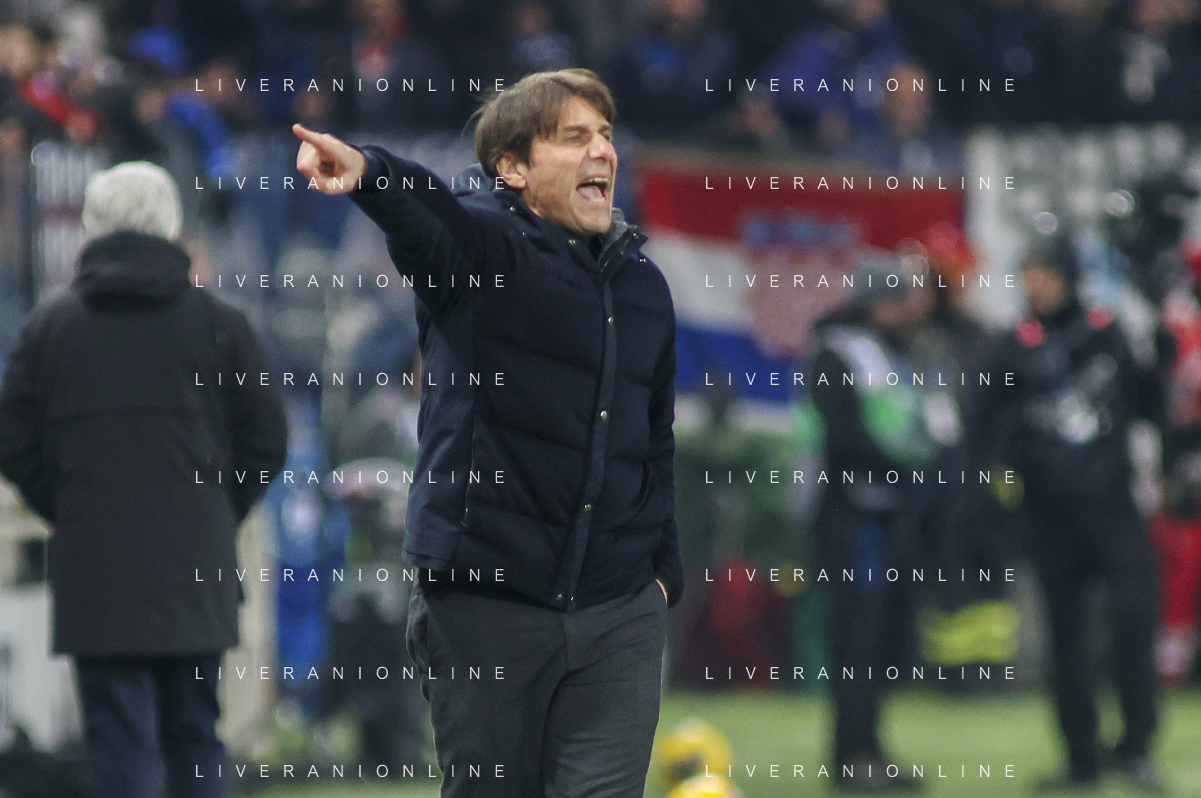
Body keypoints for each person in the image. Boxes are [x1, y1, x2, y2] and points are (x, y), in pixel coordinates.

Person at [291, 67, 681, 798]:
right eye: (574, 137)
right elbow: (428, 214)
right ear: (513, 168)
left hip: (618, 607)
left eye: (604, 135)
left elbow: (654, 440)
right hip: (488, 604)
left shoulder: (643, 288)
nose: (601, 150)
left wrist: (662, 570)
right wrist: (371, 172)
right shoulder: (480, 254)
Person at [0, 161, 289, 798]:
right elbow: (267, 440)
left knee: (118, 742)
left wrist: (68, 507)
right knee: (196, 734)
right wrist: (217, 511)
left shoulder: (49, 329)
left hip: (96, 568)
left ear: (90, 226)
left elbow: (13, 442)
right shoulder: (222, 325)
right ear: (172, 224)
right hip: (196, 567)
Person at [974, 233, 1163, 791]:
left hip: (1113, 506)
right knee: (1066, 636)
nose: (1036, 287)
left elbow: (1150, 404)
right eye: (1028, 276)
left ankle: (1135, 745)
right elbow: (983, 424)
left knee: (1133, 617)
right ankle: (1081, 754)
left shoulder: (1107, 334)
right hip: (1049, 513)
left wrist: (1153, 343)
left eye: (1046, 275)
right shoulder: (1011, 347)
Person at [807, 252, 952, 792]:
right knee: (857, 640)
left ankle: (870, 749)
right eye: (897, 300)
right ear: (875, 302)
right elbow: (843, 438)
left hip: (888, 517)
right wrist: (907, 472)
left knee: (883, 640)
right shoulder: (838, 354)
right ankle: (852, 756)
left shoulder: (895, 353)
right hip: (852, 517)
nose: (908, 310)